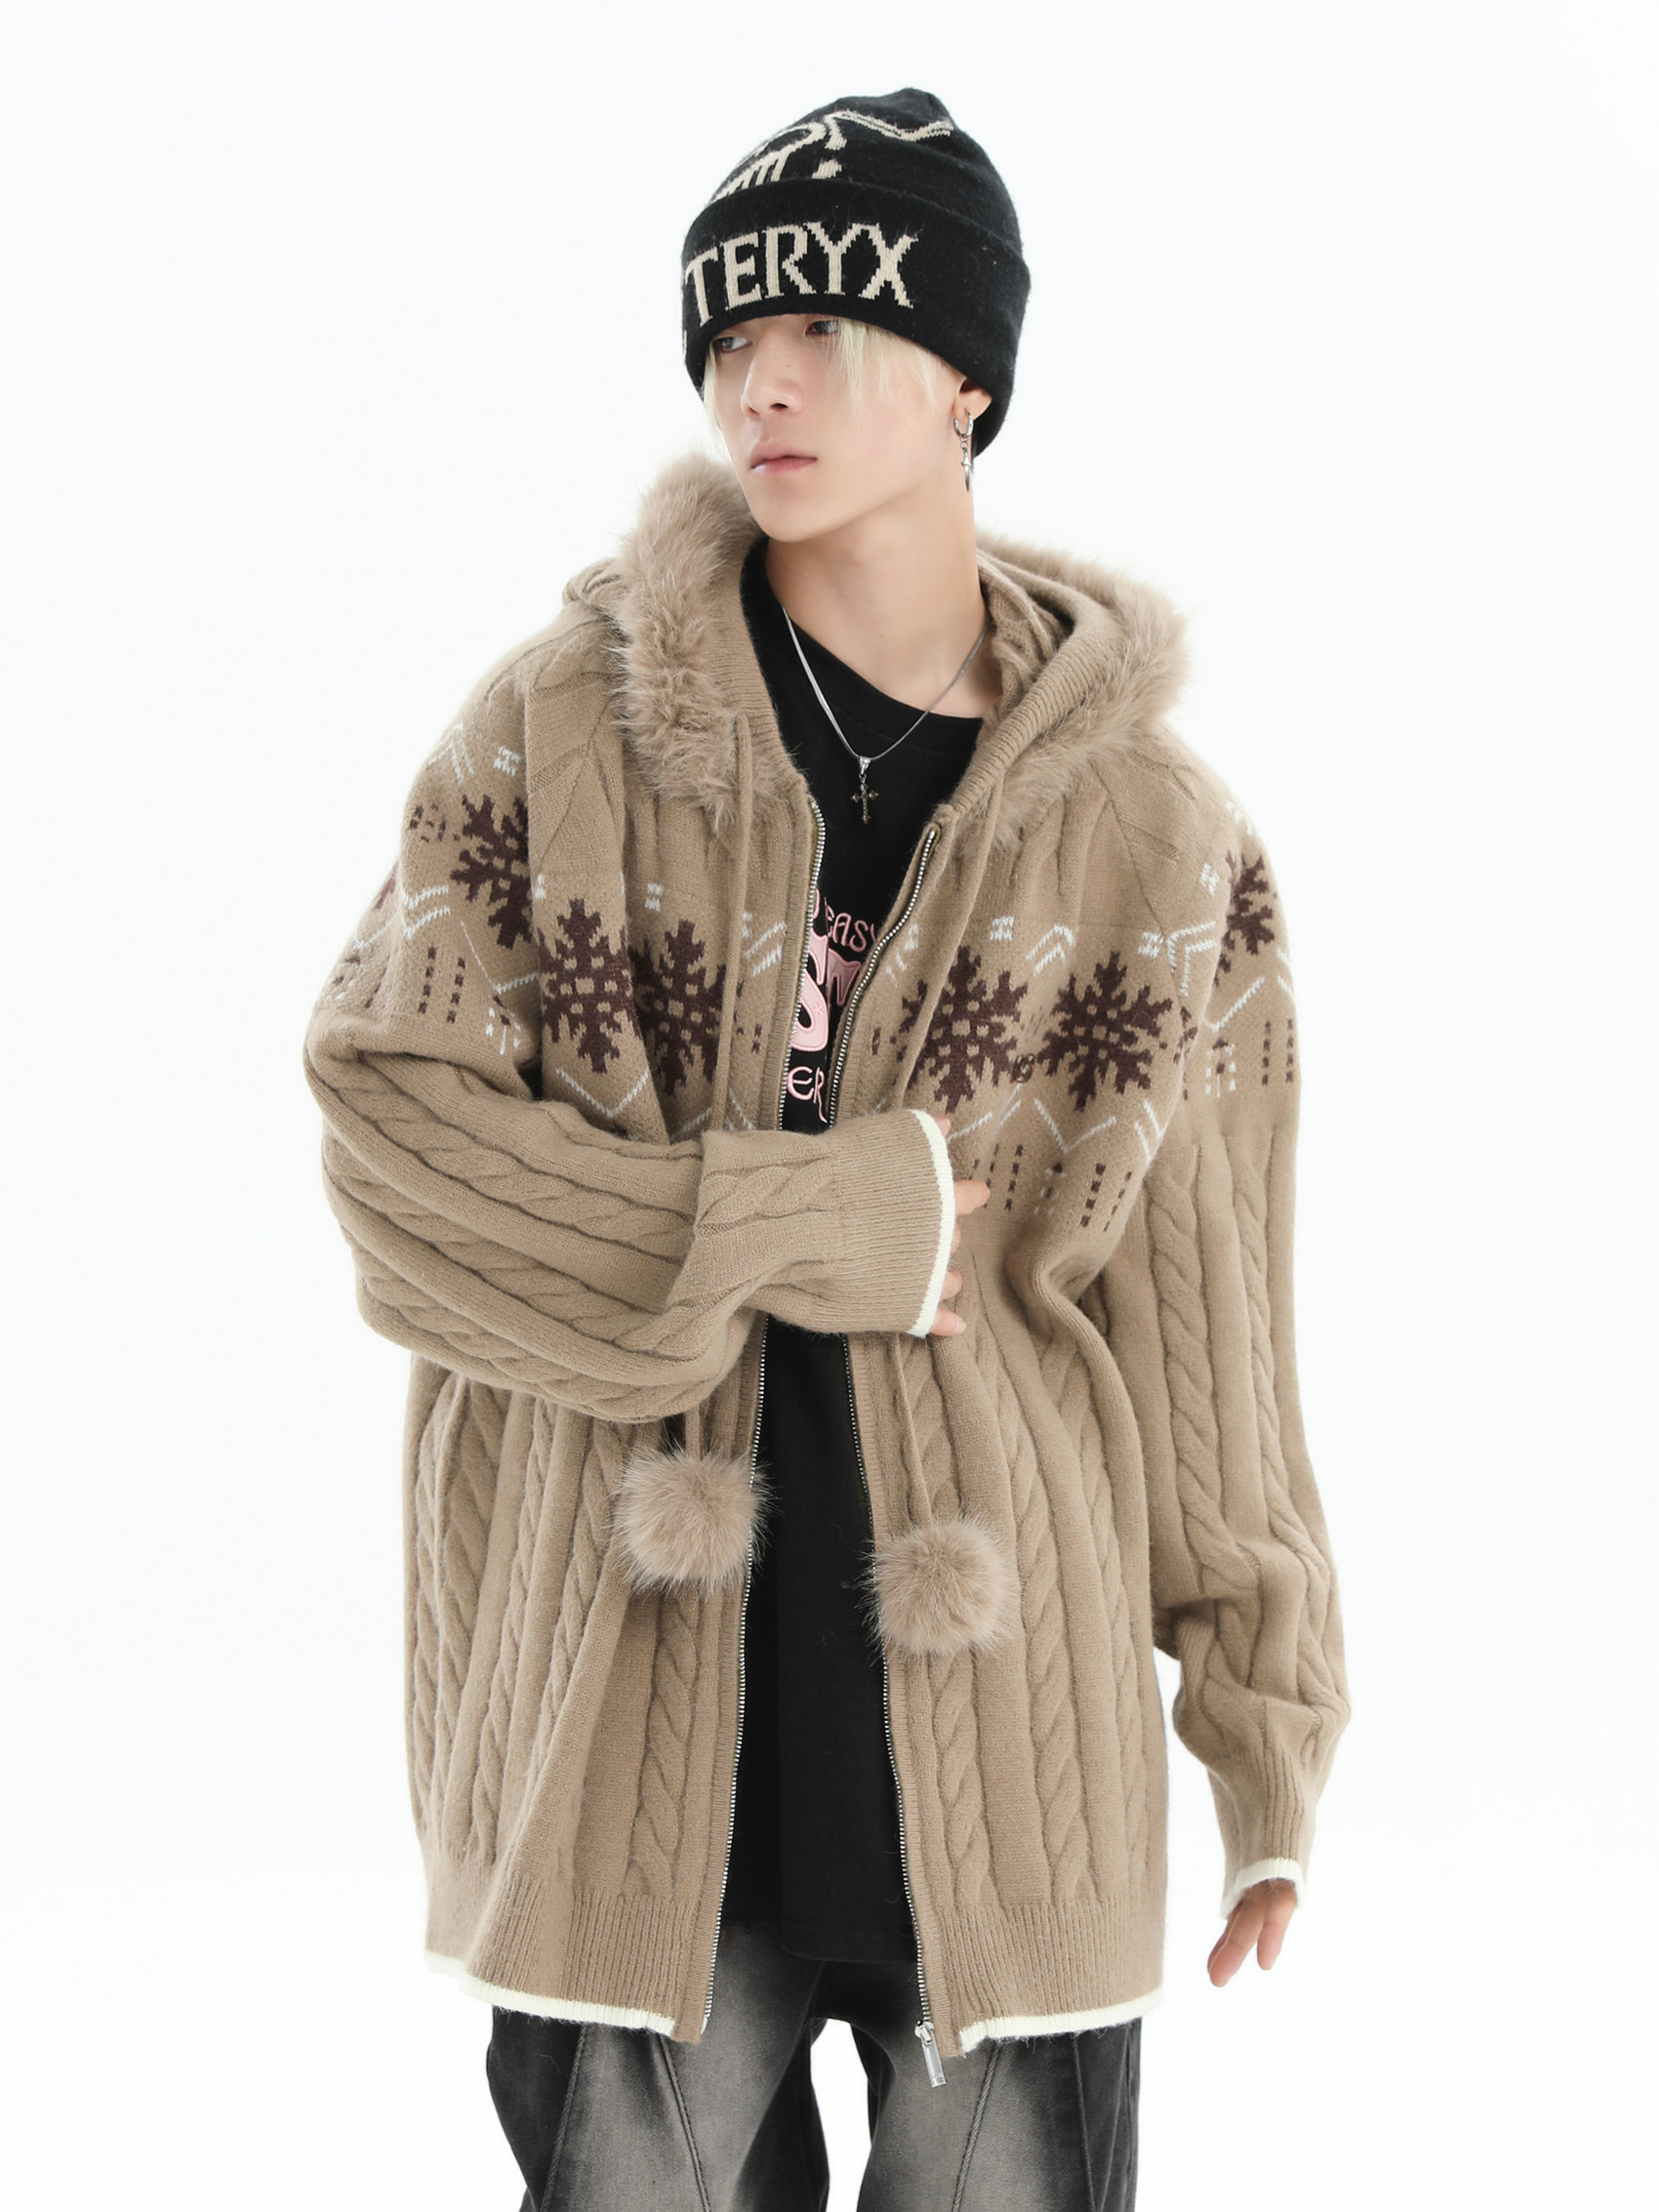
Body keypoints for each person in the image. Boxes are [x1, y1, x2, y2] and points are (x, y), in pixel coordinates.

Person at [303, 86, 1350, 2212]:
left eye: (825, 328)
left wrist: (1266, 1721)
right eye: (726, 336)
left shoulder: (1159, 838)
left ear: (968, 374)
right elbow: (395, 1152)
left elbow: (1212, 1321)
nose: (757, 382)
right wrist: (813, 1217)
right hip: (617, 1715)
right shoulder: (563, 734)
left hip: (1014, 1743)